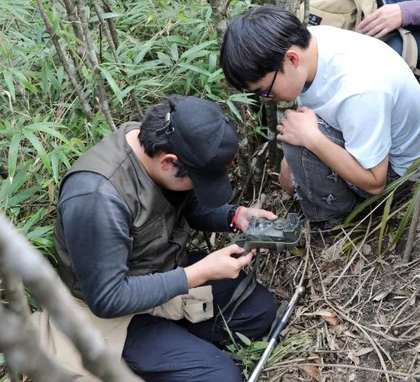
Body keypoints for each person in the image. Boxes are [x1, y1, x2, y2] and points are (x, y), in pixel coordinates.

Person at [50, 95, 278, 381]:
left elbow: (189, 204)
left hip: (164, 271)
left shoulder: (160, 143)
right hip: (114, 315)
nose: (196, 188)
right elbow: (107, 299)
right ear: (169, 163)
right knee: (221, 378)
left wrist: (234, 216)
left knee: (258, 311)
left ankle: (175, 348)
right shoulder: (96, 197)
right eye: (197, 181)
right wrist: (198, 273)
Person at [220, 6, 420, 227]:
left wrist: (311, 140)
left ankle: (334, 220)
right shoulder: (313, 45)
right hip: (378, 144)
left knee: (300, 143)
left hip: (399, 176)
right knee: (298, 133)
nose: (266, 99)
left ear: (291, 60)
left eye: (265, 90)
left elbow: (376, 183)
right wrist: (288, 163)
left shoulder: (360, 89)